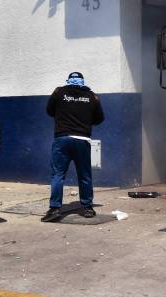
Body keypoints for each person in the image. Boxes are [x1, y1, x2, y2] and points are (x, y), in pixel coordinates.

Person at [42, 72, 104, 222]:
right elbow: (100, 118)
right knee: (84, 175)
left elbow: (49, 111)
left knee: (58, 175)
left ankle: (55, 209)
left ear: (68, 81)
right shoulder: (92, 96)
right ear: (82, 81)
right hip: (82, 139)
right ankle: (87, 208)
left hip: (62, 139)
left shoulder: (59, 92)